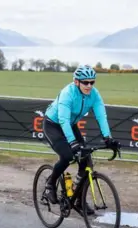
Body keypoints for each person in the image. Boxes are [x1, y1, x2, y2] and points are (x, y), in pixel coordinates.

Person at [42, 65, 120, 215]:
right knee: (67, 156)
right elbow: (63, 119)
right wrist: (72, 142)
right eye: (85, 82)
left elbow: (101, 116)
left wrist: (108, 138)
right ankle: (50, 184)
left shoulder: (94, 95)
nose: (89, 86)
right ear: (76, 82)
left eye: (92, 82)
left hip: (70, 125)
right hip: (53, 125)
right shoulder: (68, 93)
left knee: (85, 160)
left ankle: (78, 198)